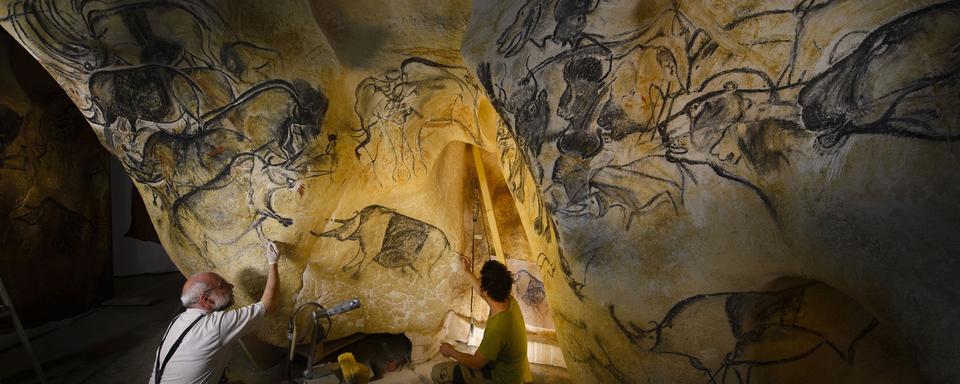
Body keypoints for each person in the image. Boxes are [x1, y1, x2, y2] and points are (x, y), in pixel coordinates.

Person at [149, 241, 280, 384]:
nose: (232, 286)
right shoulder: (215, 325)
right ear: (206, 299)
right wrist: (272, 262)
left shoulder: (178, 320)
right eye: (222, 285)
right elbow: (268, 305)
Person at [432, 256, 532, 384]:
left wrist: (451, 351)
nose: (479, 282)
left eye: (480, 279)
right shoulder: (507, 300)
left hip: (502, 378)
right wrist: (466, 271)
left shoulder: (498, 328)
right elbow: (483, 292)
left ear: (486, 291)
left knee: (439, 372)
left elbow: (477, 363)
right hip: (510, 370)